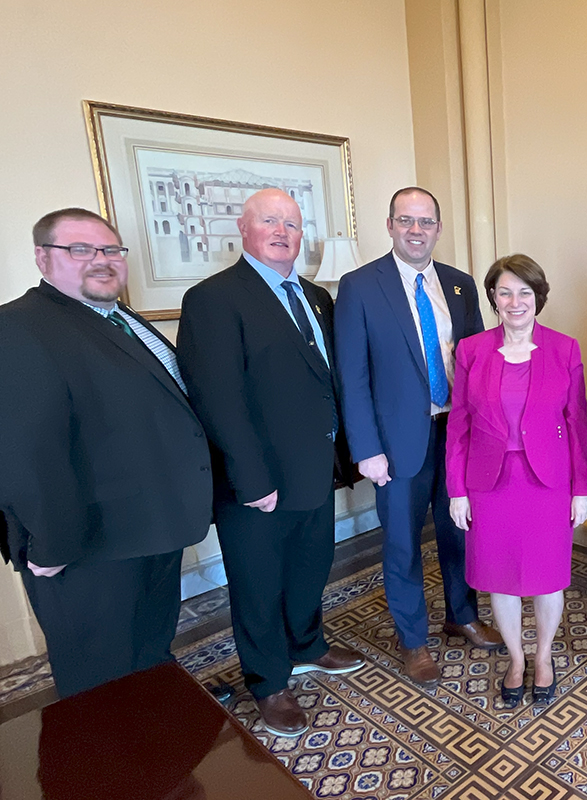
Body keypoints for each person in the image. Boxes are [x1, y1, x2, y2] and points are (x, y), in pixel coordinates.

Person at [0, 208, 212, 697]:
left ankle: (162, 724)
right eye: (80, 249)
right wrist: (51, 546)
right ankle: (116, 768)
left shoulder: (119, 318)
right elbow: (25, 453)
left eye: (110, 250)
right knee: (100, 677)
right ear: (42, 258)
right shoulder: (19, 328)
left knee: (148, 647)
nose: (100, 260)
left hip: (150, 527)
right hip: (87, 545)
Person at [176, 188, 364, 738]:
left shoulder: (313, 296)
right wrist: (250, 477)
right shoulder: (213, 298)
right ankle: (268, 680)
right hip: (255, 479)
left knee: (310, 566)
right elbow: (217, 396)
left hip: (314, 469)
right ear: (244, 228)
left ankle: (307, 645)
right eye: (270, 221)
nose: (283, 231)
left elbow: (326, 378)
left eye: (292, 223)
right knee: (258, 584)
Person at [334, 187, 503, 690]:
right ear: (389, 225)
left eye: (425, 221)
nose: (415, 230)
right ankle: (414, 641)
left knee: (460, 532)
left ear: (438, 229)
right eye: (405, 220)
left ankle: (462, 614)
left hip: (456, 434)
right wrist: (365, 448)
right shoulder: (360, 286)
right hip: (395, 443)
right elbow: (353, 374)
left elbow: (477, 362)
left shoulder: (459, 284)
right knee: (403, 543)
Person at [446, 254, 587, 707]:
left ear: (538, 298)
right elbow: (459, 424)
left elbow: (577, 422)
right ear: (493, 296)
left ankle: (544, 656)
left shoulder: (564, 348)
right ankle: (515, 658)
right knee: (500, 580)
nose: (515, 302)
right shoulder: (471, 350)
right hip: (489, 485)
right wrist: (457, 491)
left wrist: (582, 488)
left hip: (547, 484)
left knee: (549, 579)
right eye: (505, 292)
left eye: (524, 293)